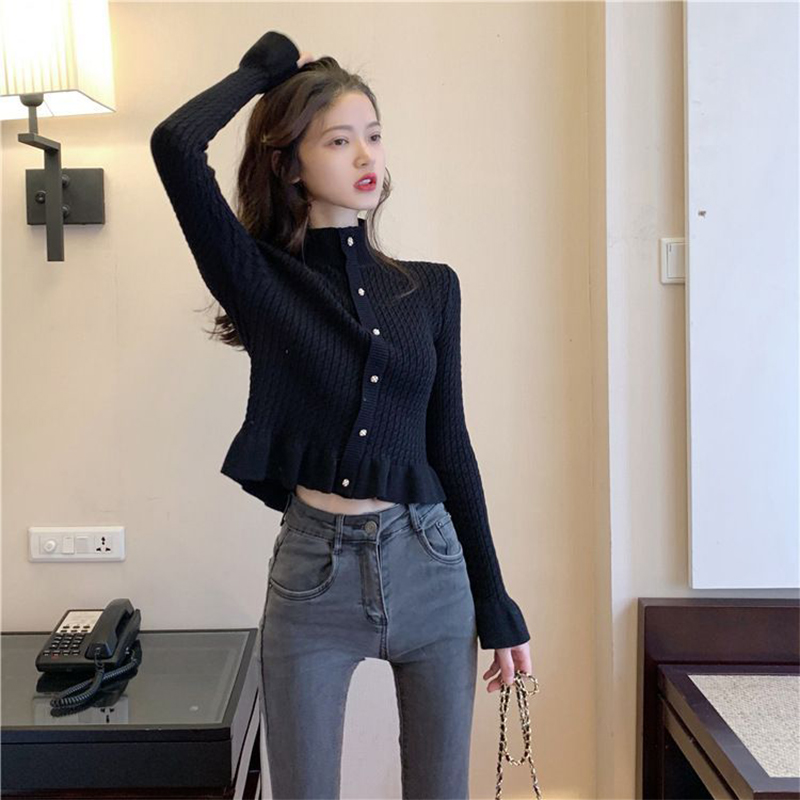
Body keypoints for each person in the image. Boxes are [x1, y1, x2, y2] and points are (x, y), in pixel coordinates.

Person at [150, 29, 532, 799]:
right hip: (312, 578)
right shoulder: (260, 280)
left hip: (430, 564)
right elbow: (175, 145)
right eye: (338, 139)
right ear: (290, 164)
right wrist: (259, 75)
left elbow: (450, 445)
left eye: (374, 136)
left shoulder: (432, 288)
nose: (366, 156)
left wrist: (495, 599)